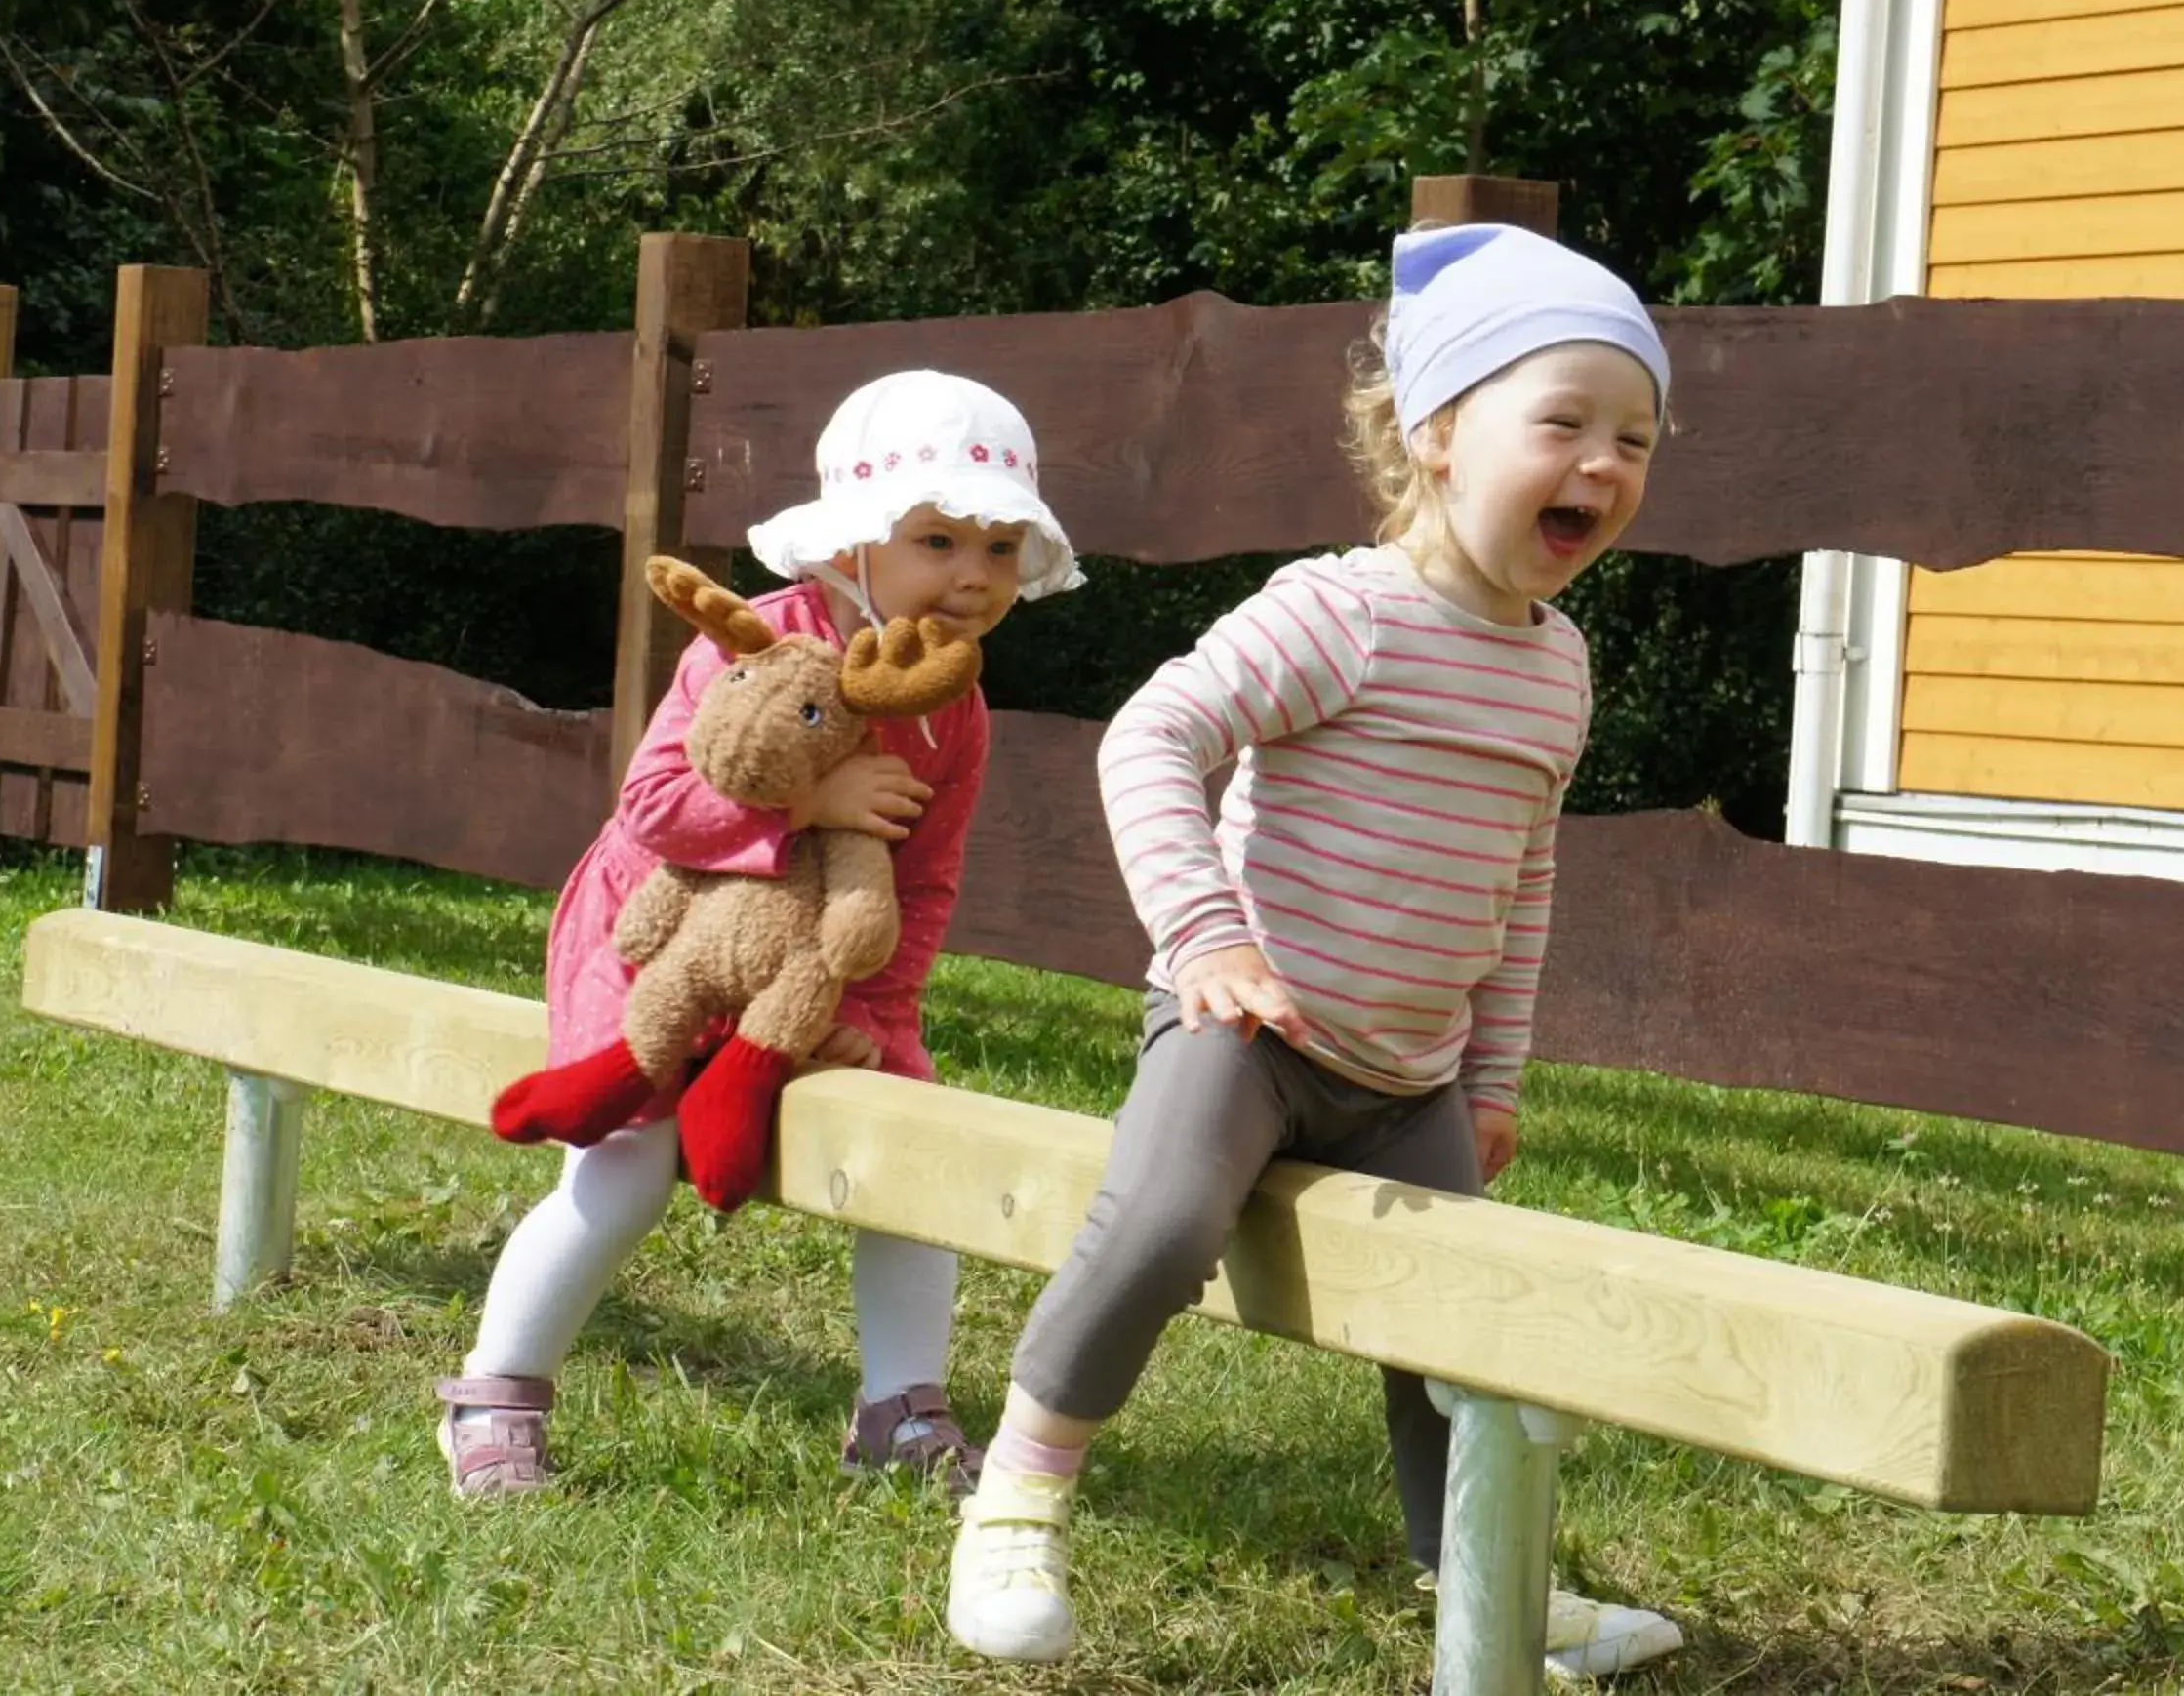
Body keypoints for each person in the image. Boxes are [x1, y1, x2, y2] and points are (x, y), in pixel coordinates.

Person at [943, 224, 1687, 1679]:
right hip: (1251, 1036)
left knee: (1465, 1333)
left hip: (1411, 1075)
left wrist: (1492, 1073)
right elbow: (1158, 733)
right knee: (1158, 1229)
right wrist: (1204, 937)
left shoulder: (1559, 665)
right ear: (1437, 436)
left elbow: (1522, 879)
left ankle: (1489, 1591)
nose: (1603, 464)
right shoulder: (1344, 615)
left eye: (1636, 438)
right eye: (1563, 423)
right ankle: (1018, 1497)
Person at [435, 370, 1082, 1501]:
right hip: (657, 938)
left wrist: (872, 1017)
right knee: (631, 1159)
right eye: (938, 539)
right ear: (854, 546)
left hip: (807, 968)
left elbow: (922, 882)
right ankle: (496, 1390)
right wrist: (804, 811)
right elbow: (650, 804)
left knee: (908, 1152)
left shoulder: (953, 707)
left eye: (998, 546)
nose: (974, 573)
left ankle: (901, 1407)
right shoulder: (758, 644)